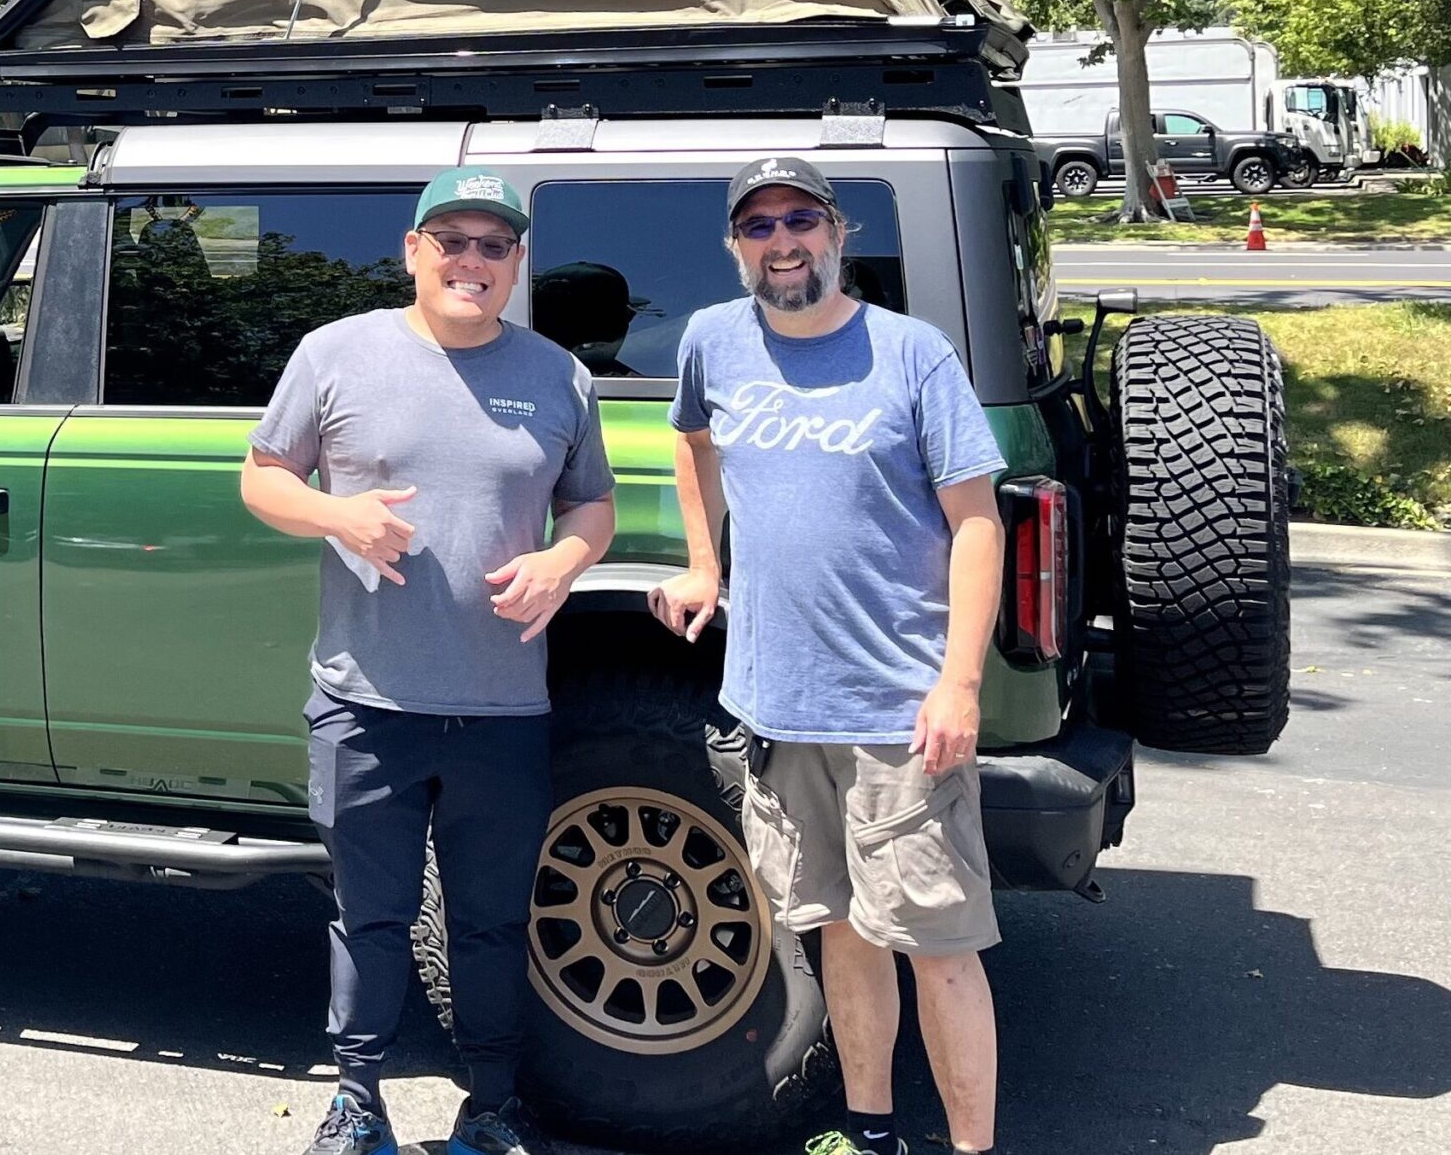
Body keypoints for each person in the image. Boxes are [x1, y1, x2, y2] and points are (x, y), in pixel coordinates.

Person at [241, 167, 617, 1155]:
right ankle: (356, 1100)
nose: (471, 261)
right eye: (450, 239)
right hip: (366, 703)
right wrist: (339, 515)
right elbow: (263, 477)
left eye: (493, 245)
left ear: (515, 263)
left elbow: (591, 503)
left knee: (491, 925)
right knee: (370, 916)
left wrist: (565, 558)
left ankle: (489, 1107)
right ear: (412, 252)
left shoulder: (556, 375)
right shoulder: (337, 354)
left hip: (502, 710)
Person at [648, 156, 1007, 1155]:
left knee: (936, 946)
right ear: (734, 247)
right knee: (838, 932)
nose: (780, 242)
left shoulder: (909, 353)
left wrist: (958, 685)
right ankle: (871, 1131)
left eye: (799, 219)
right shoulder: (711, 340)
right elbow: (691, 439)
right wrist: (702, 562)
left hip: (900, 713)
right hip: (775, 707)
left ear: (837, 233)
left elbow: (976, 521)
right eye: (757, 227)